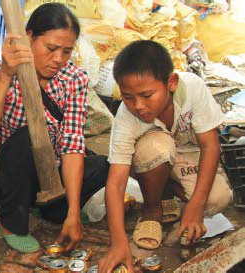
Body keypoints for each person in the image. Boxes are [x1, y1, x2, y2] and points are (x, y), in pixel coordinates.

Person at [0, 3, 109, 253]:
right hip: (6, 177)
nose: (58, 59)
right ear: (29, 37)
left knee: (102, 167)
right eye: (51, 48)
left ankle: (57, 209)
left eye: (66, 51)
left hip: (49, 174)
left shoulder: (74, 79)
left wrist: (75, 211)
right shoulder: (0, 74)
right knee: (28, 138)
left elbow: (72, 143)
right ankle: (13, 223)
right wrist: (5, 75)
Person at [98, 40, 233, 272]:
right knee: (157, 148)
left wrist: (196, 205)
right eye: (128, 97)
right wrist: (118, 243)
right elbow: (116, 182)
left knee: (216, 199)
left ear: (171, 83)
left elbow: (210, 147)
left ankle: (169, 190)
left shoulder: (192, 88)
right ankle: (153, 208)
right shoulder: (125, 116)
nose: (138, 106)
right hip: (154, 154)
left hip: (188, 154)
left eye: (147, 95)